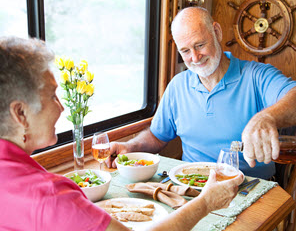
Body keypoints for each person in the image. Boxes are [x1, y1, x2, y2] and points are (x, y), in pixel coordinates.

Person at [0, 36, 243, 231]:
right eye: (53, 95)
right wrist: (206, 203)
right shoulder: (52, 198)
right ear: (20, 113)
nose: (61, 107)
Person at [106, 6, 296, 180]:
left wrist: (266, 117)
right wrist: (130, 147)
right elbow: (156, 137)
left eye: (199, 45)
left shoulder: (257, 76)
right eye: (185, 51)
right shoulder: (177, 86)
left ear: (217, 32)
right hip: (192, 188)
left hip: (251, 189)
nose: (195, 58)